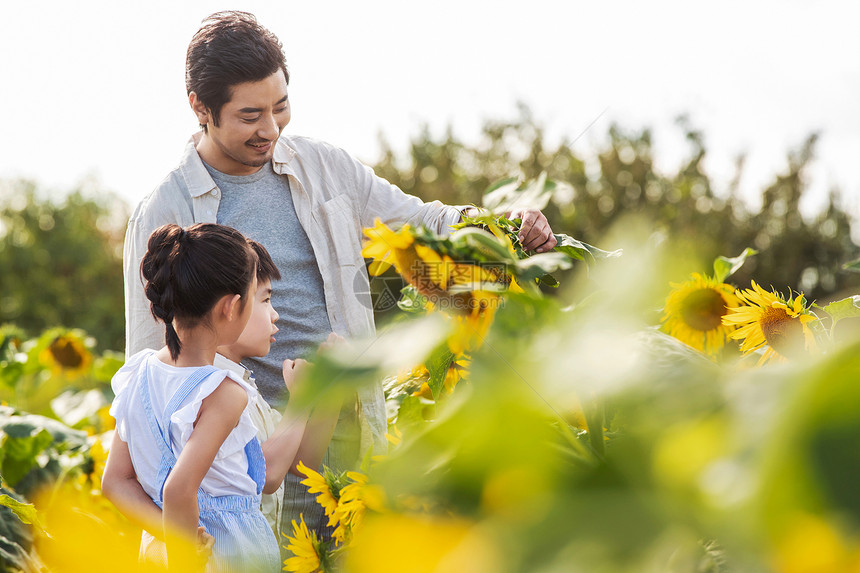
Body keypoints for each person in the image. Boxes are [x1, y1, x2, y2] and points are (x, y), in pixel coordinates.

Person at [122, 10, 558, 544]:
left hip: (351, 437)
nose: (271, 129)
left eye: (281, 107)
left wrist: (500, 224)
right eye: (250, 115)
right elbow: (150, 368)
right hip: (241, 464)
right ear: (200, 108)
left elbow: (422, 220)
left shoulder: (325, 166)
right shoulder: (166, 208)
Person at [105, 223, 334, 571]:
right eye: (262, 298)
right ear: (231, 307)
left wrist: (173, 536)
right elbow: (179, 489)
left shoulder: (139, 372)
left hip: (161, 548)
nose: (272, 312)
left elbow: (115, 482)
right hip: (225, 553)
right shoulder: (225, 392)